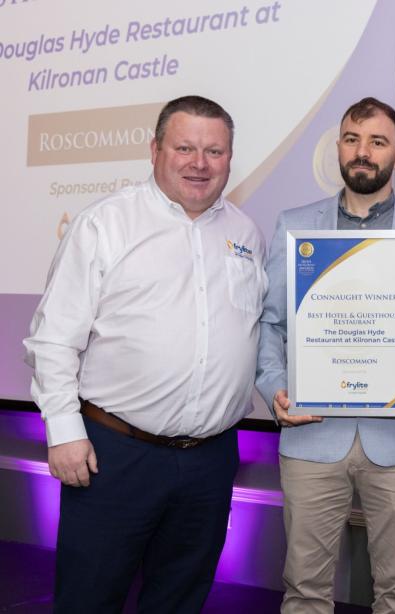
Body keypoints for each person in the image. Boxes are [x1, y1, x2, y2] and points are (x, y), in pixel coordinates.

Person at [23, 96, 266, 613]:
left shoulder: (246, 233)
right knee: (89, 598)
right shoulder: (105, 224)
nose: (200, 163)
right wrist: (63, 431)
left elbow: (249, 335)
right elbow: (53, 338)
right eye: (184, 148)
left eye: (214, 151)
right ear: (155, 150)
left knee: (180, 599)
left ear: (230, 158)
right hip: (115, 455)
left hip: (211, 461)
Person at [256, 97, 395, 614]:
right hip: (311, 436)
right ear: (338, 148)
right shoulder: (294, 225)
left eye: (378, 142)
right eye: (352, 139)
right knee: (304, 590)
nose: (362, 151)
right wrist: (274, 387)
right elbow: (271, 323)